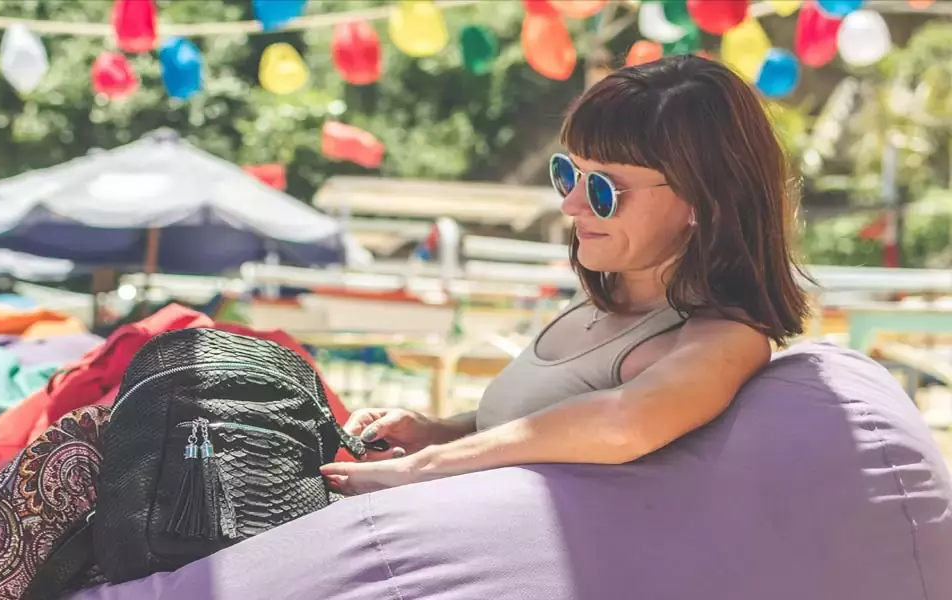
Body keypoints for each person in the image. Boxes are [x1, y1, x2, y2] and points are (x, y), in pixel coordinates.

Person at [321, 55, 810, 495]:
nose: (571, 204)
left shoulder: (721, 340)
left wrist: (426, 466)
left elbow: (622, 424)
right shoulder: (606, 297)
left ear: (703, 201)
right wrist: (438, 431)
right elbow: (540, 427)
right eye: (569, 173)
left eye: (603, 189)